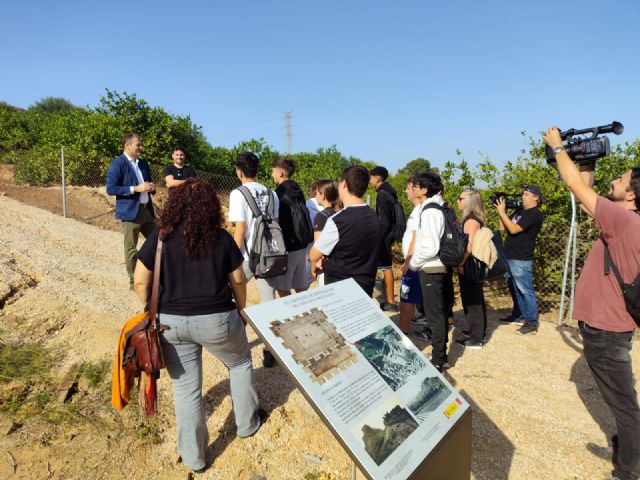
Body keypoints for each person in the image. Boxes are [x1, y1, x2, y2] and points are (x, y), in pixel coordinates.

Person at [133, 178, 265, 475]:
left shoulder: (160, 237)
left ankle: (195, 457)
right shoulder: (221, 239)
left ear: (175, 206)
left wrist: (151, 307)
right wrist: (242, 312)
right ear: (209, 206)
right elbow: (239, 280)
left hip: (170, 323)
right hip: (217, 318)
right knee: (241, 362)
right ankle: (246, 424)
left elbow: (140, 280)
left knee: (186, 390)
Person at [544, 126, 640, 480]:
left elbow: (576, 188)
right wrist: (588, 162)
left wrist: (558, 149)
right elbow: (587, 202)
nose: (614, 181)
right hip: (610, 327)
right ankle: (628, 450)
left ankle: (629, 469)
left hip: (605, 330)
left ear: (632, 194)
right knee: (623, 401)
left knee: (625, 406)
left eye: (621, 178)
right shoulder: (627, 222)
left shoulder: (625, 222)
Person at [227, 151, 280, 368]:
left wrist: (230, 257)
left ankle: (234, 345)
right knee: (268, 302)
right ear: (257, 170)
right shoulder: (272, 193)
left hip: (248, 256)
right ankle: (270, 351)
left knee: (230, 294)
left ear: (239, 171)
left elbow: (240, 229)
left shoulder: (238, 193)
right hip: (270, 255)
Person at [310, 166, 381, 296]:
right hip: (366, 284)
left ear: (344, 184)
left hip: (340, 287)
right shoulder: (374, 216)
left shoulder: (338, 220)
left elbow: (314, 255)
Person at [409, 172, 450, 372]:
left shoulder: (430, 211)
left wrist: (414, 263)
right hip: (431, 267)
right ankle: (441, 355)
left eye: (415, 186)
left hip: (431, 268)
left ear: (424, 190)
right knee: (436, 314)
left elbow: (430, 246)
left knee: (435, 316)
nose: (413, 189)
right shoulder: (430, 208)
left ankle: (438, 359)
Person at [106, 133, 156, 290]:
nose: (141, 147)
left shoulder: (143, 163)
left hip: (146, 211)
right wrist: (135, 189)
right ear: (127, 146)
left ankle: (157, 275)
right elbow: (111, 189)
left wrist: (150, 188)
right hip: (130, 213)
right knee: (131, 248)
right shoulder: (117, 164)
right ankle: (134, 282)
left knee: (159, 242)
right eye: (138, 145)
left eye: (140, 144)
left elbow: (146, 184)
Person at [495, 185, 544, 334]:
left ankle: (531, 322)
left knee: (525, 290)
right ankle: (519, 314)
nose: (523, 197)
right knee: (514, 288)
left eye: (526, 194)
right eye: (523, 194)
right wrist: (502, 212)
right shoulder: (520, 211)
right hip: (509, 255)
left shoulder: (534, 214)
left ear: (536, 197)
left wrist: (502, 212)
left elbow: (515, 229)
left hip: (521, 258)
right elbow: (503, 227)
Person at [270, 157, 313, 297]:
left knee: (282, 287)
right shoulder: (297, 189)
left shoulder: (279, 193)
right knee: (300, 285)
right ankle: (307, 312)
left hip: (288, 245)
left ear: (281, 173)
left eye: (273, 171)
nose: (272, 175)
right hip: (301, 244)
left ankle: (292, 315)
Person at [454, 188, 488, 349]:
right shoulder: (475, 219)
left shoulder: (470, 221)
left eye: (460, 199)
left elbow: (469, 244)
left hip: (470, 264)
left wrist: (461, 263)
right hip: (473, 263)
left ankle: (476, 339)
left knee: (472, 300)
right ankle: (478, 332)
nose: (457, 201)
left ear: (469, 201)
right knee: (475, 298)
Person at [370, 166, 400, 311]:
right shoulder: (390, 191)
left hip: (385, 235)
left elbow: (384, 221)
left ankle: (390, 301)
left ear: (377, 178)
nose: (370, 181)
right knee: (386, 267)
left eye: (371, 178)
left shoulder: (382, 194)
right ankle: (390, 300)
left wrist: (377, 239)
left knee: (386, 267)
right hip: (390, 233)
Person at [399, 177, 426, 334]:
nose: (406, 191)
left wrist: (407, 261)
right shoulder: (418, 210)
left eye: (409, 188)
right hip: (413, 260)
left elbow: (415, 238)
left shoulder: (419, 211)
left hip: (413, 262)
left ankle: (403, 330)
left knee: (406, 296)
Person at [310, 179, 341, 286]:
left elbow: (318, 246)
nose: (315, 195)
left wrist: (313, 269)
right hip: (339, 266)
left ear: (323, 196)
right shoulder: (340, 213)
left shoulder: (321, 217)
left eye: (317, 193)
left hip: (325, 269)